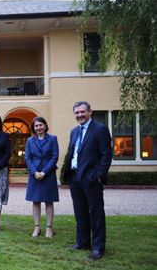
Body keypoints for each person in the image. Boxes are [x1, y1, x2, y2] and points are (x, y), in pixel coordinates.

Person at [63, 101, 112, 261]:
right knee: (80, 212)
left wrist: (99, 175)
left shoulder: (100, 130)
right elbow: (72, 153)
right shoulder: (74, 131)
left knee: (96, 213)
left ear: (90, 112)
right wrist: (67, 174)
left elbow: (106, 155)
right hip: (75, 177)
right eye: (76, 113)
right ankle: (83, 242)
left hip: (91, 179)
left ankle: (98, 247)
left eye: (82, 112)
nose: (79, 115)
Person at [25, 117, 59, 238]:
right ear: (33, 128)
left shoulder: (53, 139)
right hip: (34, 175)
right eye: (36, 126)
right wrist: (34, 172)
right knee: (36, 201)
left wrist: (44, 172)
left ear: (45, 125)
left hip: (48, 174)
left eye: (40, 125)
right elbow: (28, 158)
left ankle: (49, 228)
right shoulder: (29, 140)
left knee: (49, 201)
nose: (38, 128)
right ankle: (37, 227)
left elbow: (54, 157)